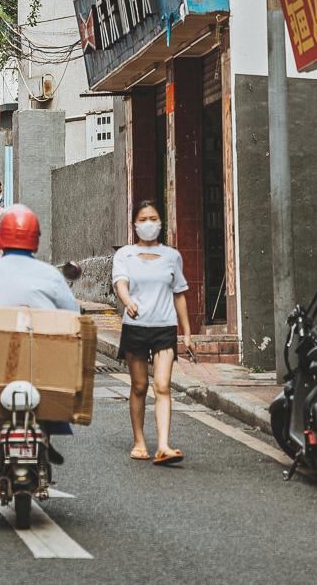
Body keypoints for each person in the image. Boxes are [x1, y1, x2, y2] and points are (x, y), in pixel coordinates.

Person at [0, 204, 78, 461]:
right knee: (60, 382)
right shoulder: (49, 274)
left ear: (2, 237)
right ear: (35, 239)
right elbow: (72, 313)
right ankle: (47, 436)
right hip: (40, 358)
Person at [112, 199, 194, 464]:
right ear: (134, 224)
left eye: (153, 219)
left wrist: (187, 333)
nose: (149, 224)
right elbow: (120, 283)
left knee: (162, 385)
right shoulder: (125, 255)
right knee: (139, 386)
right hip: (135, 328)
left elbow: (179, 294)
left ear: (161, 222)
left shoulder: (172, 256)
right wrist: (128, 301)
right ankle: (139, 441)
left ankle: (163, 445)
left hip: (164, 328)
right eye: (143, 219)